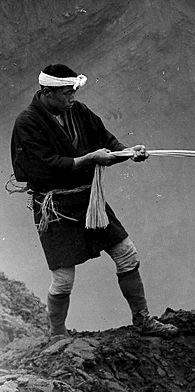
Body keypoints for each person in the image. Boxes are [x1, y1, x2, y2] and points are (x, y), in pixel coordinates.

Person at [10, 64, 179, 339]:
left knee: (127, 254)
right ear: (47, 92)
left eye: (72, 92)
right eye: (66, 93)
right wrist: (89, 159)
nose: (71, 98)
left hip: (90, 200)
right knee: (63, 281)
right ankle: (57, 334)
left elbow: (105, 139)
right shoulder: (27, 123)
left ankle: (143, 319)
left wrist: (127, 152)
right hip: (56, 209)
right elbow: (43, 166)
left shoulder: (79, 112)